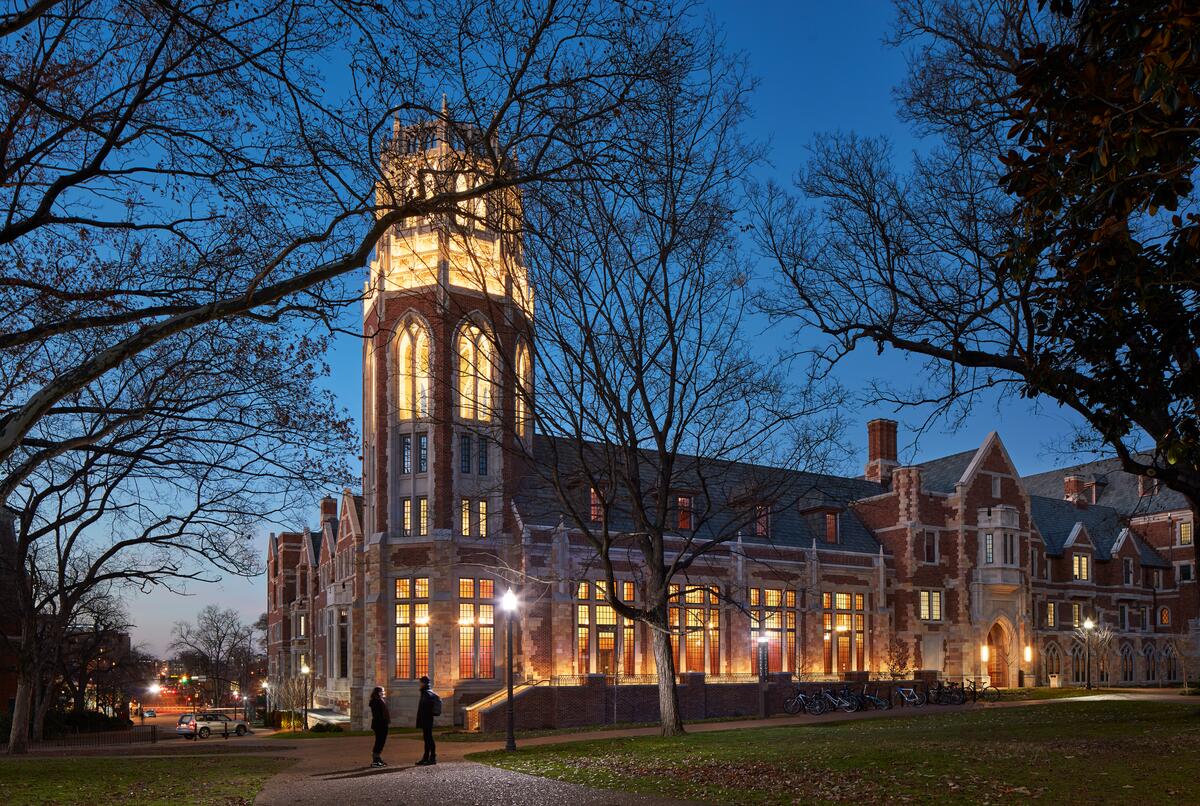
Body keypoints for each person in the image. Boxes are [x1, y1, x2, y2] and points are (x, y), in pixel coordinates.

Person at [415, 676, 437, 765]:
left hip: (427, 719)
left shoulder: (427, 693)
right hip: (426, 719)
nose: (419, 684)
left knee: (429, 738)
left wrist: (424, 717)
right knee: (427, 738)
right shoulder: (425, 692)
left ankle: (432, 757)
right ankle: (426, 757)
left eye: (420, 682)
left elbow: (427, 707)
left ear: (423, 683)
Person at [368, 687, 389, 767]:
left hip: (381, 724)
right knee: (379, 742)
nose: (384, 692)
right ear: (378, 692)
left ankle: (378, 758)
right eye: (382, 691)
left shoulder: (379, 700)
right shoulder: (376, 701)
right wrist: (383, 722)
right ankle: (375, 760)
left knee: (381, 742)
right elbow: (378, 715)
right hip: (380, 724)